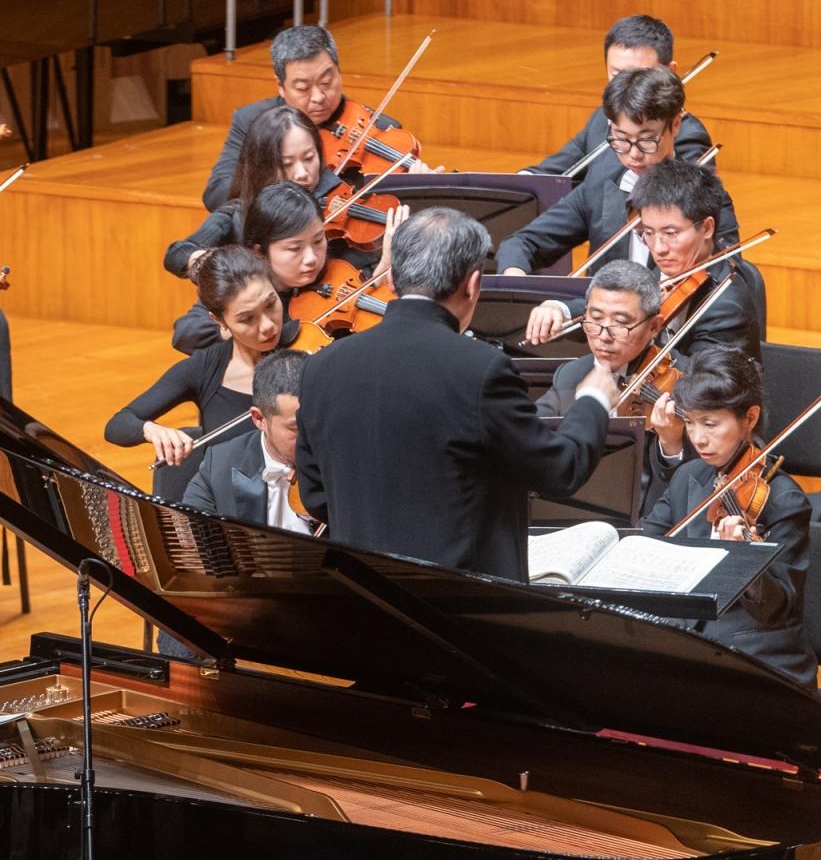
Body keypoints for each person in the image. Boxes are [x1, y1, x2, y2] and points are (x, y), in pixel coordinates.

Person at [296, 207, 615, 582]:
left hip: (366, 597)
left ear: (392, 277)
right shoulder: (481, 370)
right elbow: (560, 469)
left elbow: (315, 497)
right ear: (473, 284)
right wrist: (592, 400)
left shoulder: (321, 367)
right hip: (462, 601)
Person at [642, 347, 817, 689]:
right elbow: (647, 543)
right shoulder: (688, 476)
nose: (697, 438)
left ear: (749, 418)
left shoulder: (784, 500)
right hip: (688, 645)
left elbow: (776, 608)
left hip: (759, 659)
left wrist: (743, 561)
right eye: (689, 422)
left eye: (710, 423)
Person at [496, 67, 736, 276]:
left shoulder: (706, 198)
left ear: (675, 125)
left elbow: (732, 274)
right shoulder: (601, 184)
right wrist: (514, 273)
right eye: (621, 139)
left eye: (647, 140)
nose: (634, 154)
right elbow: (522, 244)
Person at [523, 156, 761, 360]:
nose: (658, 248)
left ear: (707, 228)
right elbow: (621, 306)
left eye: (671, 233)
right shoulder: (666, 272)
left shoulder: (727, 306)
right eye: (648, 232)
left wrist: (637, 344)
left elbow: (707, 384)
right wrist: (561, 310)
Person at [108, 245, 296, 500]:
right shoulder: (205, 369)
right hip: (233, 507)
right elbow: (118, 425)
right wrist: (153, 430)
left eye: (271, 304)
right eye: (247, 318)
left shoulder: (312, 349)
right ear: (220, 321)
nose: (267, 325)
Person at [200, 25, 422, 212]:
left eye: (326, 83)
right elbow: (217, 193)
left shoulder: (381, 130)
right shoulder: (252, 120)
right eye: (302, 88)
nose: (318, 97)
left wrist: (421, 184)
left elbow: (392, 207)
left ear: (339, 73)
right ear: (280, 86)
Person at [533, 260, 686, 516]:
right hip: (571, 514)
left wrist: (672, 445)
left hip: (651, 522)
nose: (604, 336)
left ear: (654, 327)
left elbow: (695, 482)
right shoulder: (571, 375)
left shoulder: (684, 381)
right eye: (594, 319)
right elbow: (532, 437)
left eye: (621, 323)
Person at [524, 15, 712, 176]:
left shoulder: (688, 136)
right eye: (617, 74)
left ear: (670, 72)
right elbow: (552, 172)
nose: (627, 84)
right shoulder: (602, 117)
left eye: (639, 75)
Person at [164, 104, 328, 279]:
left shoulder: (337, 196)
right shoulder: (238, 215)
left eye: (309, 158)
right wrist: (215, 265)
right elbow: (177, 254)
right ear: (264, 166)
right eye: (287, 164)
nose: (302, 173)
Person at [173, 180, 327, 352]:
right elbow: (186, 334)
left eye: (318, 240)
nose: (311, 258)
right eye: (294, 248)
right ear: (259, 251)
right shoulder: (244, 281)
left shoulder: (340, 265)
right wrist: (239, 327)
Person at [179, 348, 312, 532]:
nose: (312, 436)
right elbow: (191, 534)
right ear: (259, 419)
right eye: (296, 428)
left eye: (319, 422)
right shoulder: (219, 465)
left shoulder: (344, 462)